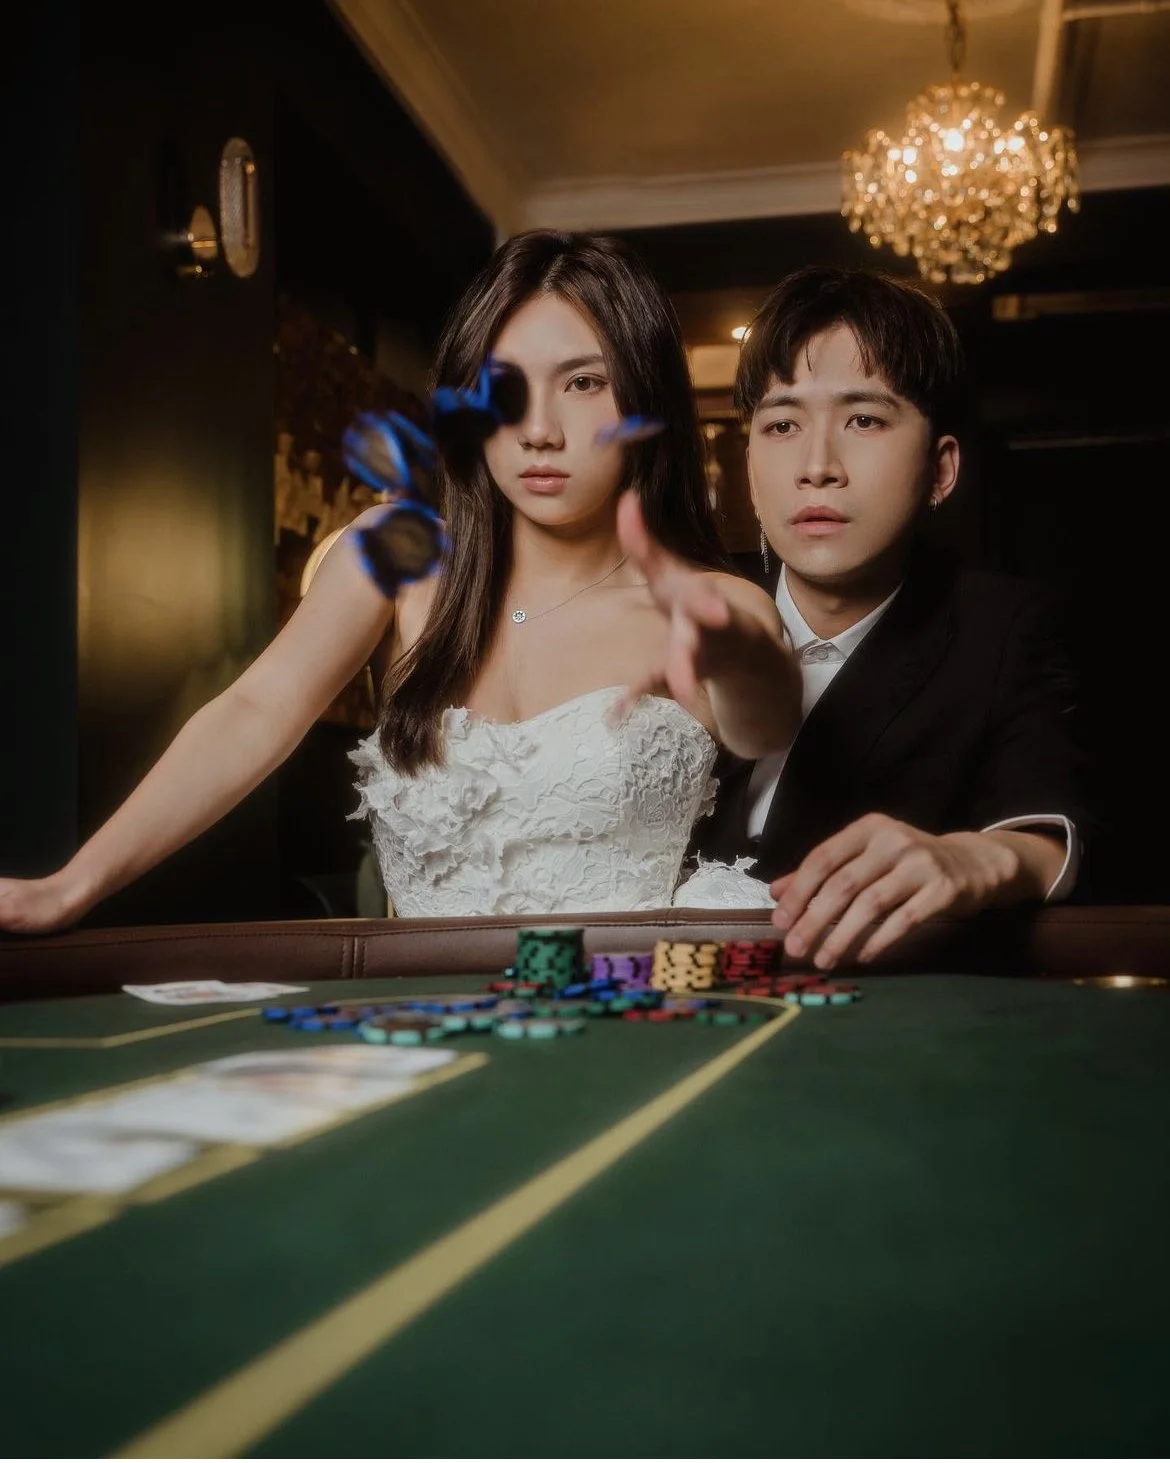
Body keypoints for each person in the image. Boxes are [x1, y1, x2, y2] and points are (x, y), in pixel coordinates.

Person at [0, 231, 801, 934]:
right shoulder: (399, 557)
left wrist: (734, 661)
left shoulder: (714, 604)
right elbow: (253, 710)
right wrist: (73, 885)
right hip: (418, 1016)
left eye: (584, 381)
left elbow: (765, 714)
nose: (540, 429)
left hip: (627, 1026)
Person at [694, 264, 1090, 969]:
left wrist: (973, 857)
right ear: (749, 466)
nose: (817, 465)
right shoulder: (687, 607)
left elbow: (1046, 835)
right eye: (782, 424)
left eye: (864, 419)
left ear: (941, 470)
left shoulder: (1001, 627)